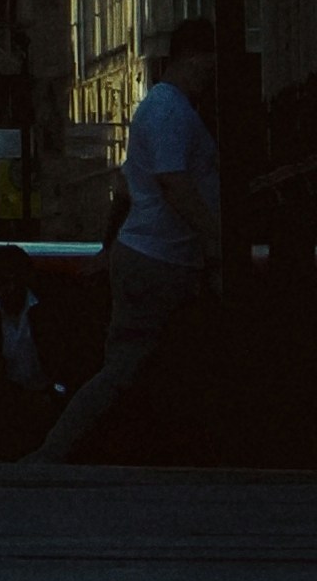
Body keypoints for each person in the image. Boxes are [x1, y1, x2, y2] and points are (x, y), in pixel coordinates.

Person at [31, 23, 224, 466]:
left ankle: (66, 451)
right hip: (164, 258)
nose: (213, 74)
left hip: (154, 255)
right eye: (209, 63)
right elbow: (174, 184)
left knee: (136, 366)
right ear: (193, 59)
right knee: (128, 367)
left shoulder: (158, 110)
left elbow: (125, 190)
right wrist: (217, 240)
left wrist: (108, 248)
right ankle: (55, 453)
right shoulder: (172, 113)